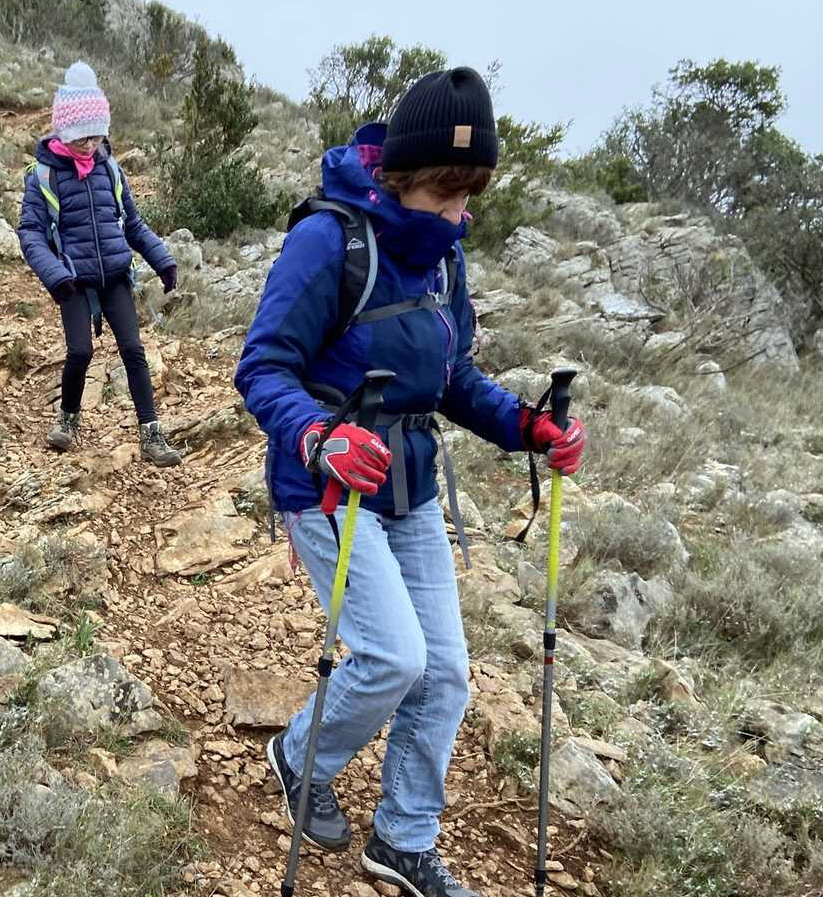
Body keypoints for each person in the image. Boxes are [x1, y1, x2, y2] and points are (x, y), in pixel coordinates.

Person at [234, 68, 587, 897]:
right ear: (401, 176)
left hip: (411, 486)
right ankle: (298, 755)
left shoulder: (444, 259)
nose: (459, 213)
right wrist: (320, 436)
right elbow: (263, 366)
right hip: (329, 486)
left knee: (448, 674)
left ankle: (403, 835)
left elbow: (455, 374)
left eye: (471, 195)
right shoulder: (330, 240)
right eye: (444, 193)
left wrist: (525, 427)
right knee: (393, 656)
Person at [18, 61, 183, 467]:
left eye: (96, 136)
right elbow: (31, 234)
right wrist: (55, 276)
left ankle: (152, 436)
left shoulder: (110, 169)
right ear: (63, 131)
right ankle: (68, 421)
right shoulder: (42, 177)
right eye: (81, 138)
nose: (90, 145)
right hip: (73, 282)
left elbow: (134, 224)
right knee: (79, 353)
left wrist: (161, 259)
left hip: (115, 276)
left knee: (133, 350)